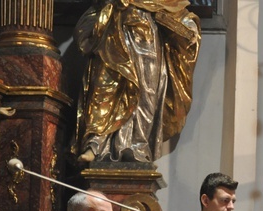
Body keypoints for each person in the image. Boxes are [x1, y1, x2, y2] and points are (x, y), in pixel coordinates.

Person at [73, 0, 201, 163]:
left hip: (146, 41)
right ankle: (96, 143)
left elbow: (176, 8)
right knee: (104, 88)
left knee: (144, 95)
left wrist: (188, 26)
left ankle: (135, 147)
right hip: (113, 34)